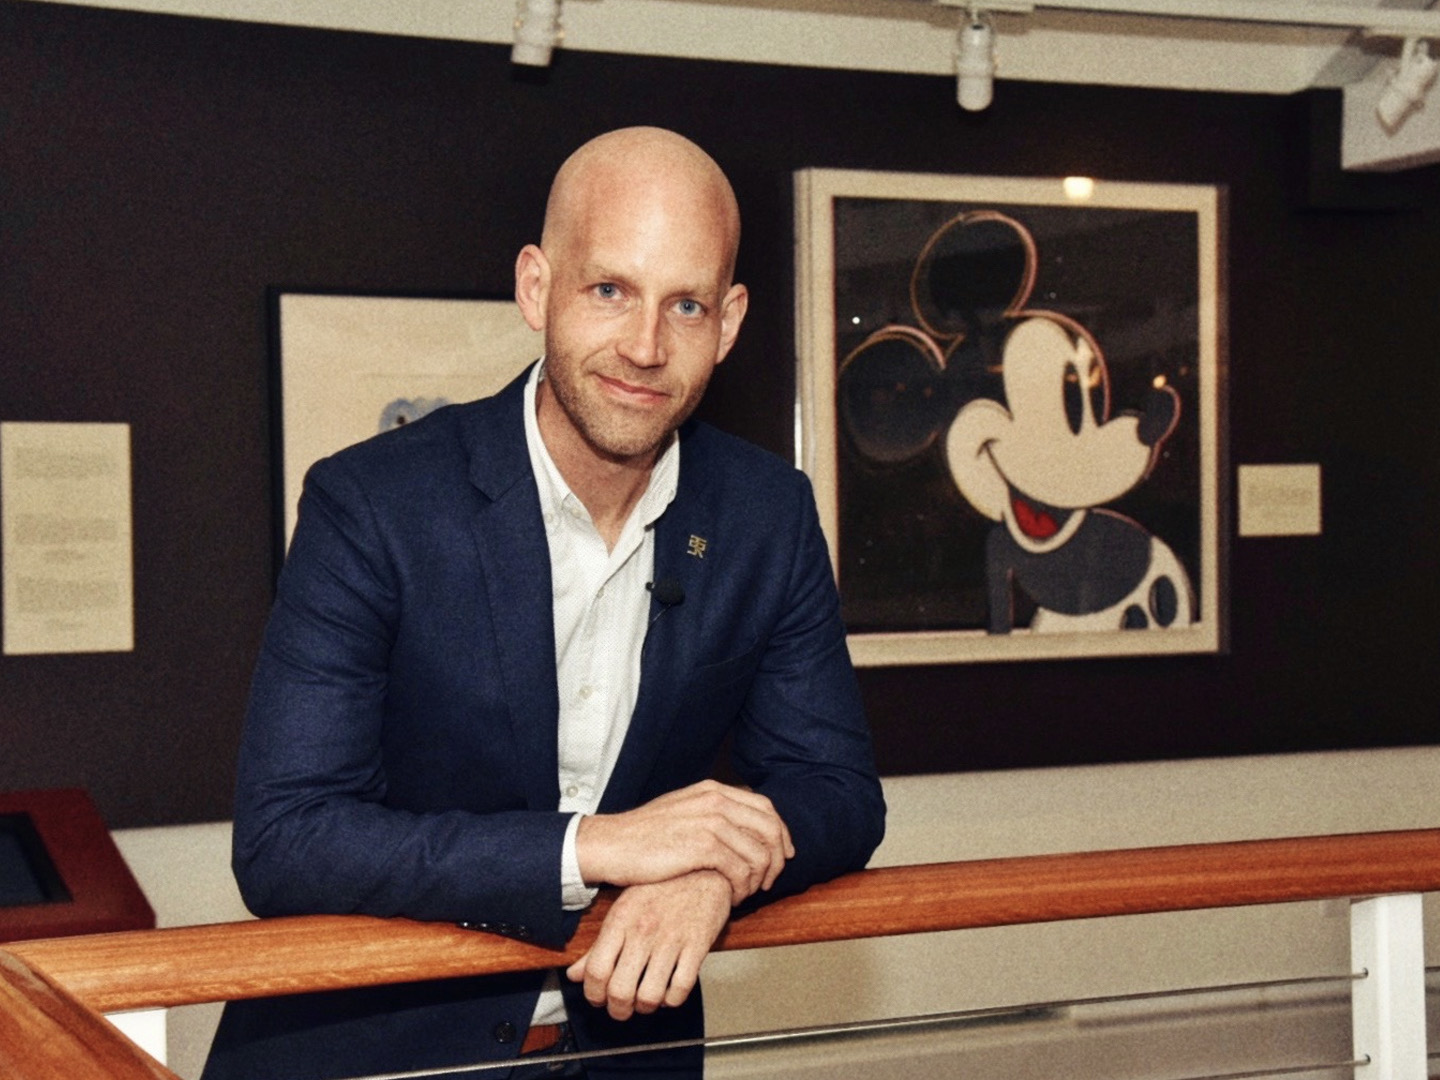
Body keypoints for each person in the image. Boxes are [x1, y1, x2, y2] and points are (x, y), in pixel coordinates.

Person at [202, 126, 885, 1080]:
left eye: (684, 305)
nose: (645, 347)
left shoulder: (767, 514)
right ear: (537, 287)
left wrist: (711, 872)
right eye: (609, 290)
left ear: (728, 323)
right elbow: (287, 839)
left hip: (626, 1055)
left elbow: (838, 792)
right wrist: (605, 848)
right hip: (373, 1058)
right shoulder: (373, 504)